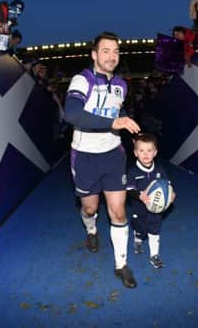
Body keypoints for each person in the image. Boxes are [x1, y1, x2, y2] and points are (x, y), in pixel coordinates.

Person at [64, 31, 142, 288]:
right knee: (89, 208)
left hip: (113, 155)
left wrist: (132, 133)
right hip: (85, 156)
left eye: (116, 51)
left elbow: (119, 111)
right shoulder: (81, 80)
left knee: (118, 211)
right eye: (106, 51)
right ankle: (91, 229)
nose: (112, 56)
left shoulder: (122, 84)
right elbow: (72, 114)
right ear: (94, 55)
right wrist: (113, 122)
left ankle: (122, 265)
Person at [125, 133, 175, 269]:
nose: (145, 154)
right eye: (141, 150)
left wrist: (171, 195)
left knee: (155, 230)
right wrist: (139, 195)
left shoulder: (159, 170)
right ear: (135, 153)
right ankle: (138, 237)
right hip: (139, 208)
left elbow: (168, 185)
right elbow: (128, 189)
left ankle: (154, 255)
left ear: (155, 152)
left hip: (156, 208)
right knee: (140, 229)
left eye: (149, 150)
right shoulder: (132, 172)